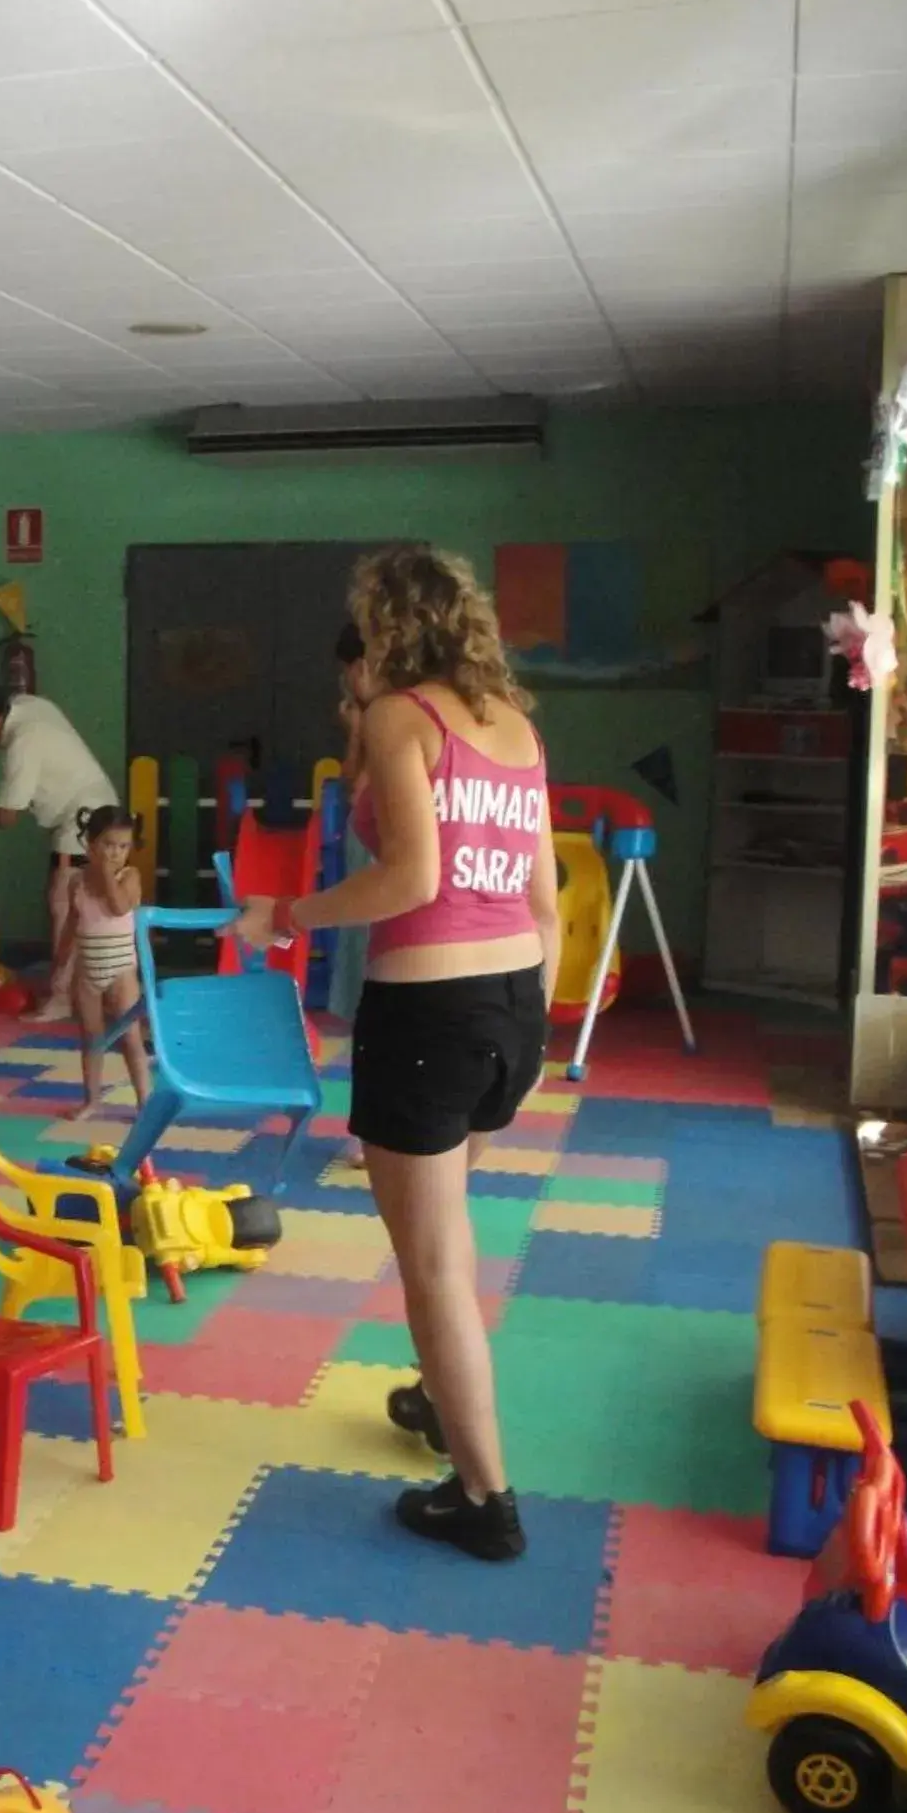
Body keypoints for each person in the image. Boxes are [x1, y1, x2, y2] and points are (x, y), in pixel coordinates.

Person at [236, 545, 558, 1562]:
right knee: (450, 1241)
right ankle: (439, 1396)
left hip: (430, 1015)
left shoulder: (398, 717)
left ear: (387, 626)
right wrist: (534, 1031)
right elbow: (544, 899)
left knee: (433, 1268)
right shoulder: (513, 728)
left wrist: (287, 913)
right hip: (511, 1003)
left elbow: (411, 879)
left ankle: (486, 1499)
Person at [0, 683, 121, 1023]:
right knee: (69, 903)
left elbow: (6, 817)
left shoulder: (24, 744)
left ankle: (66, 996)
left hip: (84, 817)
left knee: (66, 905)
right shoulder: (23, 704)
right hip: (89, 808)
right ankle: (78, 988)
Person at [328, 623, 377, 1165]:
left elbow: (356, 786)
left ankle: (373, 1133)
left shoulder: (387, 717)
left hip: (377, 877)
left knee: (374, 1007)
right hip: (373, 872)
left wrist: (358, 731)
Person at [69, 806, 150, 1118]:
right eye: (107, 845)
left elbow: (118, 908)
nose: (115, 853)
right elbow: (71, 924)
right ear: (90, 844)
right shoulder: (77, 881)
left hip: (121, 971)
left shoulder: (129, 876)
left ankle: (145, 1101)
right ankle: (91, 1100)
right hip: (87, 970)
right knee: (91, 1036)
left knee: (130, 1037)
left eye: (123, 846)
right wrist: (62, 963)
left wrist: (105, 872)